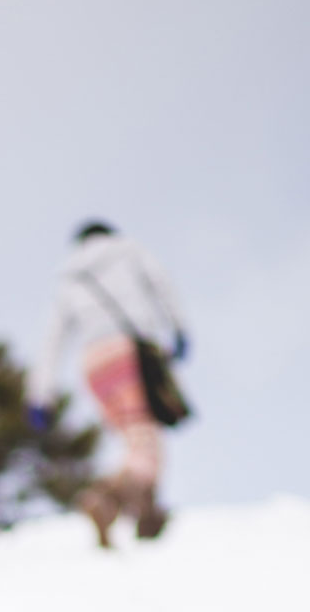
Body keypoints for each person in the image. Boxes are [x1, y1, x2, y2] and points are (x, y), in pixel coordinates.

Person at [28, 221, 189, 547]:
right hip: (129, 353)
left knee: (133, 439)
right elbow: (163, 286)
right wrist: (179, 328)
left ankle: (142, 509)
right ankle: (112, 500)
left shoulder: (69, 281)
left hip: (94, 364)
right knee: (145, 437)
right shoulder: (129, 252)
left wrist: (40, 395)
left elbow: (52, 341)